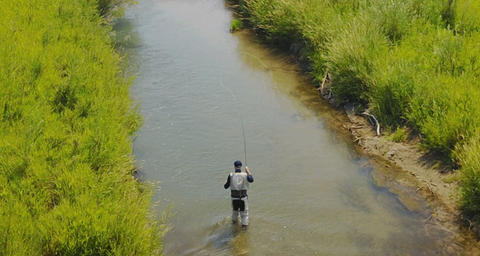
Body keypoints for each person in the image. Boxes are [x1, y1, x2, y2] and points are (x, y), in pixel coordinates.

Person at [224, 160, 254, 228]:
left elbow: (226, 186)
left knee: (234, 212)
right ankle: (244, 230)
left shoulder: (231, 175)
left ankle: (233, 227)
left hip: (234, 198)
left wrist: (226, 182)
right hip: (243, 198)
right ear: (241, 167)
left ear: (234, 167)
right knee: (244, 215)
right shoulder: (245, 174)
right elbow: (251, 180)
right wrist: (248, 171)